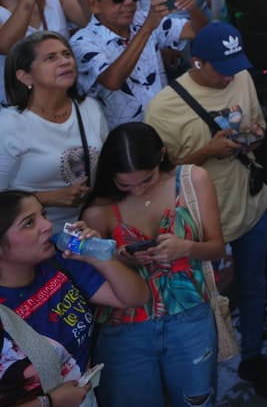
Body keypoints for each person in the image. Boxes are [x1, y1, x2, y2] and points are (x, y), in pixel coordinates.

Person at [140, 23, 267, 396]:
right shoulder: (163, 108)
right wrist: (206, 153)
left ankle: (251, 357)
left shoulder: (241, 78)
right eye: (222, 68)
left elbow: (259, 125)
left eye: (235, 65)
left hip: (249, 208)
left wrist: (253, 138)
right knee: (202, 302)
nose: (230, 75)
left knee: (253, 286)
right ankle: (203, 374)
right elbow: (155, 178)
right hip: (199, 226)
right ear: (196, 62)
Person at [79, 123, 225, 407]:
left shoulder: (194, 180)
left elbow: (217, 248)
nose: (137, 190)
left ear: (161, 155)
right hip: (125, 327)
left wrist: (186, 248)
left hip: (190, 317)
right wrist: (120, 258)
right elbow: (92, 274)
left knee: (195, 399)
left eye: (146, 180)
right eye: (124, 185)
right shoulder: (99, 210)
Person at [0, 190, 147, 375]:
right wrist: (49, 403)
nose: (47, 225)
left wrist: (96, 255)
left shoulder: (57, 258)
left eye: (43, 214)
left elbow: (136, 297)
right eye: (29, 223)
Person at [71, 0, 202, 129]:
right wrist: (148, 28)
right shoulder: (81, 43)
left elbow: (198, 32)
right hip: (123, 142)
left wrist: (192, 8)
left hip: (165, 127)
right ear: (94, 4)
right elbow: (112, 81)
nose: (129, 2)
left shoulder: (143, 19)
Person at [0, 32, 108, 230]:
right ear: (25, 76)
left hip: (85, 230)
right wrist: (45, 198)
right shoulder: (8, 124)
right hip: (31, 239)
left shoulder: (91, 109)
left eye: (66, 54)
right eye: (51, 58)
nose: (65, 62)